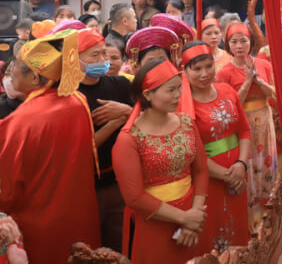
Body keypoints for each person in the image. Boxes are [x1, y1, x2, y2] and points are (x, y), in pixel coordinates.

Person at [0, 30, 101, 263]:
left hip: (38, 226)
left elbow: (7, 193)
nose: (10, 71)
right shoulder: (78, 101)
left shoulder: (20, 121)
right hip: (80, 217)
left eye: (16, 65)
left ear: (35, 78)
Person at [112, 59, 209, 263]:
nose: (178, 95)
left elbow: (200, 170)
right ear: (148, 94)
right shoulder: (129, 139)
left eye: (179, 88)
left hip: (192, 214)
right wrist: (184, 218)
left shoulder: (186, 123)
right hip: (154, 221)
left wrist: (195, 215)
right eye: (171, 90)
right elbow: (134, 197)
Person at [181, 42, 251, 249]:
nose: (205, 73)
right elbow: (191, 152)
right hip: (208, 178)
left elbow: (245, 131)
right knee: (213, 233)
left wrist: (241, 166)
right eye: (197, 69)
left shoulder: (227, 90)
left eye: (208, 66)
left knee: (237, 232)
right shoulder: (182, 104)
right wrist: (228, 175)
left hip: (238, 173)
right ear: (185, 71)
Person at [215, 23, 279, 229]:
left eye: (243, 40)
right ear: (228, 45)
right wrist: (247, 83)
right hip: (243, 122)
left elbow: (275, 94)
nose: (239, 45)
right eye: (234, 41)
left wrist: (258, 80)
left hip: (264, 117)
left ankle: (270, 212)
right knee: (249, 164)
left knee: (267, 160)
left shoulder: (264, 64)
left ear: (251, 42)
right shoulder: (224, 72)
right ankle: (251, 219)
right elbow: (231, 105)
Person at [77, 28, 134, 252]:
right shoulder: (69, 94)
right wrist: (114, 123)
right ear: (75, 59)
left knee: (119, 246)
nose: (102, 60)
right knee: (86, 249)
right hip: (84, 188)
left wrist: (128, 111)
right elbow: (80, 148)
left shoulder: (121, 85)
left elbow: (144, 121)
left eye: (105, 54)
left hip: (118, 183)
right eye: (95, 56)